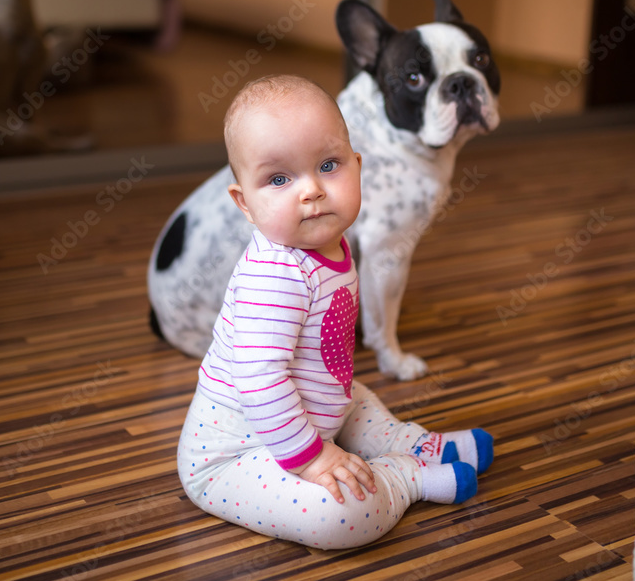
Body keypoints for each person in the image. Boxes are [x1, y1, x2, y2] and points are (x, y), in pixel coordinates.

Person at [176, 74, 493, 549]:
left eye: (328, 165)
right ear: (245, 203)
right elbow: (260, 379)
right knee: (339, 517)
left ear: (357, 166)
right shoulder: (276, 276)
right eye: (279, 179)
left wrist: (324, 429)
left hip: (312, 409)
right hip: (236, 454)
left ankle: (413, 443)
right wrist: (314, 460)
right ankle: (402, 476)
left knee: (355, 398)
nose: (311, 191)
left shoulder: (329, 243)